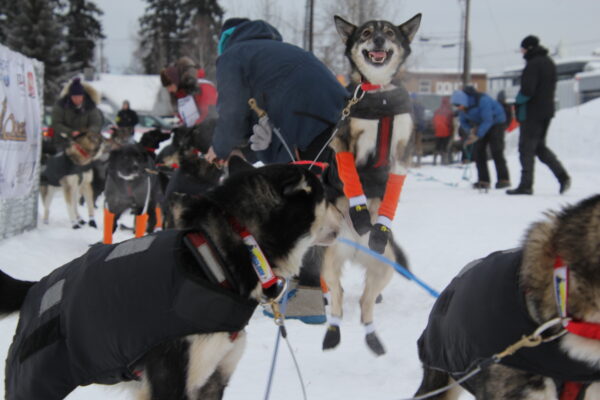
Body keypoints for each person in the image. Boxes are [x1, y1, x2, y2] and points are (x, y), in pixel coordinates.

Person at [204, 18, 348, 165]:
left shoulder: (232, 55)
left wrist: (219, 149)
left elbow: (232, 112)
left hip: (306, 121)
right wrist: (244, 154)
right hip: (343, 110)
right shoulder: (279, 53)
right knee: (342, 180)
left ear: (225, 42)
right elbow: (260, 125)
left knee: (304, 181)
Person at [507, 35, 571, 195]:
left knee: (526, 148)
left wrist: (518, 101)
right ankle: (563, 177)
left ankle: (526, 185)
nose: (521, 52)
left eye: (522, 48)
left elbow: (528, 90)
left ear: (528, 48)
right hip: (547, 111)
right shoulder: (549, 63)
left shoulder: (533, 64)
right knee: (539, 147)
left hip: (532, 112)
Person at [451, 87, 510, 190]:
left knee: (496, 150)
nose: (458, 108)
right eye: (456, 106)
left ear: (463, 101)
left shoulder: (483, 100)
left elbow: (488, 120)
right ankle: (483, 180)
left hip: (496, 123)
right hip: (480, 124)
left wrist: (478, 135)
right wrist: (471, 130)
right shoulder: (463, 109)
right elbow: (464, 122)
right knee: (478, 152)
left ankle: (503, 179)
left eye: (459, 105)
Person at [160, 57, 218, 128]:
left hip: (208, 133)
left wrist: (193, 129)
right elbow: (185, 119)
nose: (169, 90)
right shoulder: (180, 94)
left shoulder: (204, 86)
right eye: (167, 88)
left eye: (170, 86)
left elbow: (210, 115)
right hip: (194, 135)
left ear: (175, 81)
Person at [432, 96, 454, 165]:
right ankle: (444, 160)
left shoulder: (437, 111)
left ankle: (434, 160)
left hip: (437, 132)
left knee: (437, 146)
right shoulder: (449, 111)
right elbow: (450, 123)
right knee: (445, 147)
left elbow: (433, 121)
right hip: (446, 132)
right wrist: (451, 130)